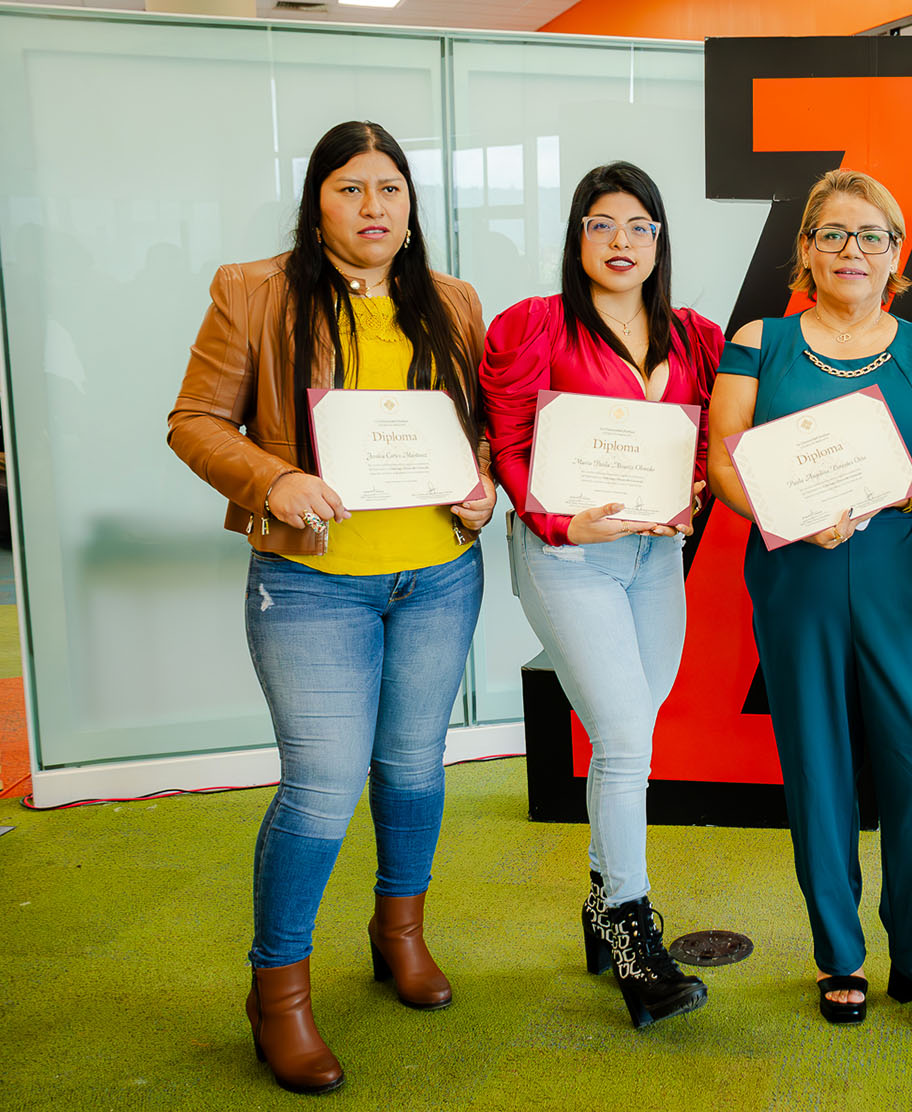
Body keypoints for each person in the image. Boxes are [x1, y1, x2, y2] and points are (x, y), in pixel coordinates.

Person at [168, 120, 496, 1095]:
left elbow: (473, 430)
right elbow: (194, 421)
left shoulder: (452, 301)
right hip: (313, 583)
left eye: (390, 190)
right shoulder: (255, 292)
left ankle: (399, 936)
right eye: (352, 189)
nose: (374, 209)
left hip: (438, 574)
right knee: (321, 784)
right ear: (318, 202)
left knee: (412, 769)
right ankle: (279, 994)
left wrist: (484, 484)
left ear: (410, 205)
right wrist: (272, 479)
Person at [706, 169, 912, 1032]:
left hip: (904, 572)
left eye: (871, 236)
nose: (851, 250)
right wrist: (787, 510)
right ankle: (842, 957)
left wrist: (897, 490)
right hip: (800, 578)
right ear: (807, 251)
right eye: (833, 234)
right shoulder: (760, 341)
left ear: (896, 252)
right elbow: (722, 461)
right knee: (818, 769)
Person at [481, 161, 720, 1029]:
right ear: (576, 235)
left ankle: (598, 906)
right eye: (601, 224)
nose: (621, 243)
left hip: (656, 562)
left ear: (660, 241)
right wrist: (555, 523)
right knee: (622, 738)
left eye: (639, 227)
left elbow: (701, 442)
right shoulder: (534, 325)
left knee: (635, 730)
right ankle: (629, 932)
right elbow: (506, 443)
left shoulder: (695, 337)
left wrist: (692, 491)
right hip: (569, 558)